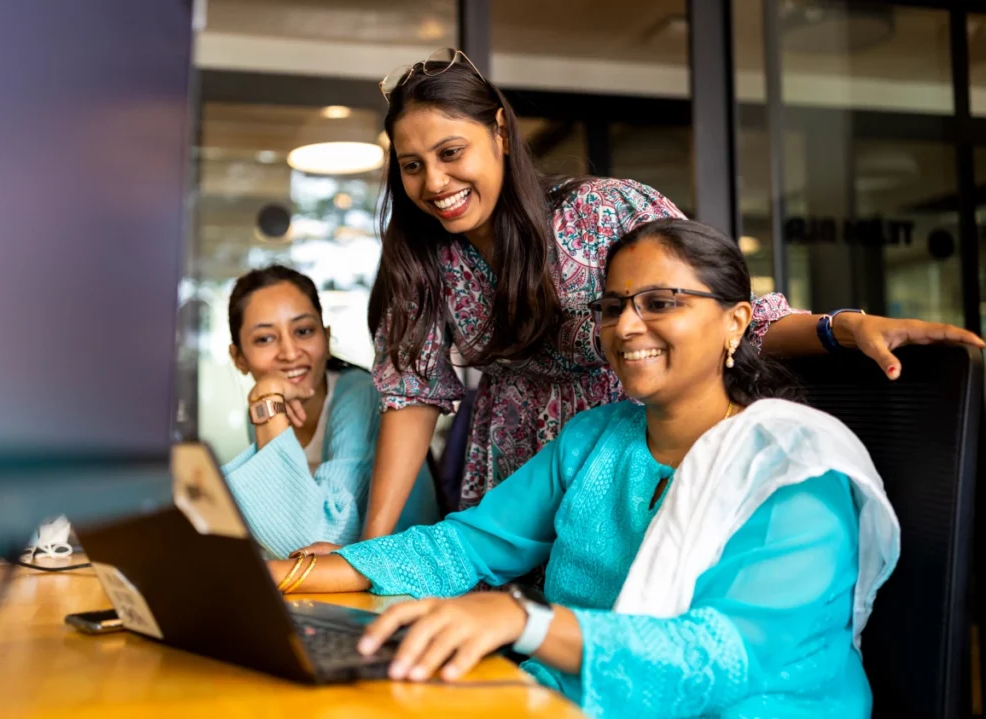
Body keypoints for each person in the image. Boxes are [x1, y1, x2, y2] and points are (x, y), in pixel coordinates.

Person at [342, 48, 982, 549]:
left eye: (451, 152)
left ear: (501, 133)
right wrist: (368, 549)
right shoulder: (424, 258)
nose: (435, 181)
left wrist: (841, 328)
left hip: (636, 447)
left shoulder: (605, 210)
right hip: (513, 469)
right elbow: (412, 396)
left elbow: (722, 315)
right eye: (412, 165)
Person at [267, 219, 901, 718]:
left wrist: (525, 622)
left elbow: (718, 658)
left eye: (661, 302)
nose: (627, 327)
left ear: (736, 322)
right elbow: (465, 546)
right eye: (613, 305)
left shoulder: (792, 471)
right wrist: (283, 576)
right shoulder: (597, 439)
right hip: (569, 699)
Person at [220, 265, 439, 558]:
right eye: (265, 339)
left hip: (409, 580)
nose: (289, 352)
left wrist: (267, 399)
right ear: (239, 358)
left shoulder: (358, 396)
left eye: (303, 331)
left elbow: (315, 538)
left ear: (325, 337)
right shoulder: (270, 407)